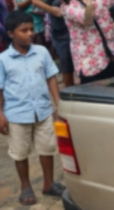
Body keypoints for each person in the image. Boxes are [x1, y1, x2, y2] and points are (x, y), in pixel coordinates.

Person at [0, 10, 64, 206]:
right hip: (17, 115)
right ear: (11, 34)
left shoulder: (42, 52)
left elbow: (51, 78)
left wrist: (58, 104)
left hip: (43, 112)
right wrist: (0, 114)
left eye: (31, 29)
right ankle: (25, 186)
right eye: (23, 30)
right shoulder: (3, 60)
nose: (30, 33)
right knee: (20, 152)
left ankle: (48, 184)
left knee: (47, 148)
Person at [29, 0, 72, 88]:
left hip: (72, 26)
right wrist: (53, 10)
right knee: (67, 62)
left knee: (72, 62)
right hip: (61, 28)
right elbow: (35, 0)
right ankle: (70, 93)